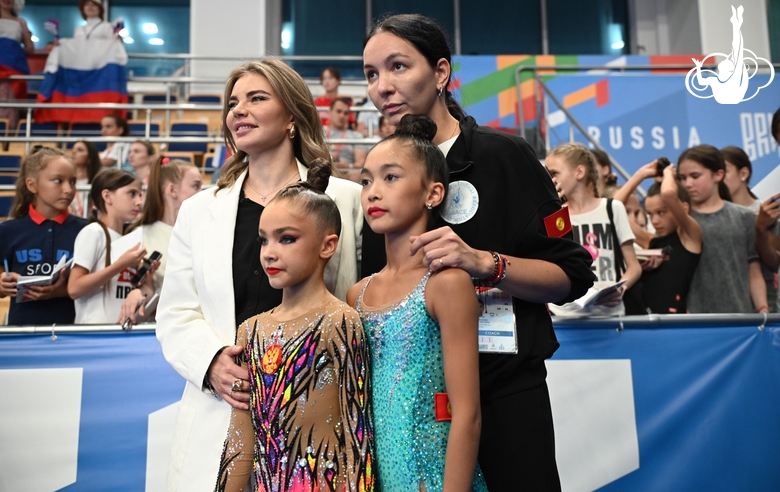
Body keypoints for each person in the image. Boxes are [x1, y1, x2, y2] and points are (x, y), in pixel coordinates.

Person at [362, 14, 594, 490]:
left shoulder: (504, 156)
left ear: (442, 73)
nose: (383, 86)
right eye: (371, 74)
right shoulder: (377, 176)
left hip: (503, 392)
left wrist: (487, 264)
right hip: (412, 414)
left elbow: (572, 275)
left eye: (398, 66)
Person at [155, 58, 366, 491]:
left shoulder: (347, 200)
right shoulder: (198, 210)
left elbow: (363, 297)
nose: (238, 110)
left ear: (292, 115)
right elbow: (175, 311)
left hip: (317, 420)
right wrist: (212, 363)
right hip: (224, 410)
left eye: (256, 98)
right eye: (233, 102)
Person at [216, 159, 374, 491]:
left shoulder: (340, 322)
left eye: (286, 239)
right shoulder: (251, 330)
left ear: (327, 245)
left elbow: (358, 433)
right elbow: (239, 438)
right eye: (264, 240)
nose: (269, 253)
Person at [348, 114, 487, 491]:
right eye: (365, 181)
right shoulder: (355, 294)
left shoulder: (446, 284)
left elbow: (468, 413)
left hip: (434, 477)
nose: (373, 192)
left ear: (433, 193)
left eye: (390, 177)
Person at [545, 143, 642, 317]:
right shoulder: (555, 215)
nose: (550, 180)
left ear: (579, 172)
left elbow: (634, 266)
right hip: (565, 316)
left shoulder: (613, 208)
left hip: (608, 315)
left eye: (554, 173)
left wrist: (621, 288)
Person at [0, 148, 86, 325]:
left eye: (73, 182)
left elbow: (97, 285)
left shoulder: (87, 230)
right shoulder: (8, 230)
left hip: (72, 332)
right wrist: (2, 285)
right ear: (32, 185)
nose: (68, 189)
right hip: (21, 332)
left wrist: (61, 291)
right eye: (58, 181)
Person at [677, 144, 767, 313]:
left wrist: (763, 311)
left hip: (740, 319)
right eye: (682, 177)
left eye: (695, 176)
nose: (688, 183)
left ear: (718, 175)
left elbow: (754, 273)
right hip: (695, 321)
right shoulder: (682, 221)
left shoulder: (744, 217)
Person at [118, 157, 202, 327]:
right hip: (162, 327)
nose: (202, 192)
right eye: (196, 186)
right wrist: (138, 294)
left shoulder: (205, 232)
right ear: (172, 190)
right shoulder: (140, 236)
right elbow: (146, 287)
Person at [617, 160, 702, 313]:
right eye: (650, 214)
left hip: (674, 324)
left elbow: (668, 194)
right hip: (645, 321)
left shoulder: (690, 236)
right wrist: (641, 174)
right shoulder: (650, 240)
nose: (654, 221)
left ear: (683, 208)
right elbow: (614, 206)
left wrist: (668, 173)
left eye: (661, 212)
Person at [67, 168, 146, 323]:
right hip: (94, 334)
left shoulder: (126, 238)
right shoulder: (93, 232)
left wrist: (144, 273)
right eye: (132, 193)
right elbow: (74, 288)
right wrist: (120, 264)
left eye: (140, 195)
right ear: (107, 196)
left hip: (119, 332)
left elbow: (122, 286)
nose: (139, 202)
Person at [0, 0, 33, 130]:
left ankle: (7, 139)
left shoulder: (21, 22)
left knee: (9, 103)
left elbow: (30, 49)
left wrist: (13, 51)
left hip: (13, 68)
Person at [324, 97, 367, 180]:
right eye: (338, 111)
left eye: (346, 113)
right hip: (323, 168)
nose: (342, 116)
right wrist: (325, 156)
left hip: (347, 172)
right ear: (329, 112)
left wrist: (348, 165)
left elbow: (361, 162)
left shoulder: (356, 136)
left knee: (355, 174)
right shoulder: (318, 132)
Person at [69, 139, 101, 217]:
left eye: (80, 150)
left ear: (89, 158)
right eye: (73, 148)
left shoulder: (98, 182)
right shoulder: (65, 181)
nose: (73, 152)